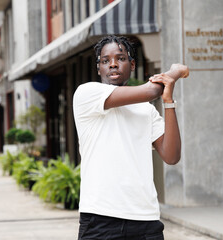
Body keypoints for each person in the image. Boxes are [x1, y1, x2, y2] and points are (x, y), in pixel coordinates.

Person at [73, 35, 189, 240]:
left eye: (121, 58)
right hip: (100, 220)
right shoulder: (86, 94)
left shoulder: (146, 110)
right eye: (105, 61)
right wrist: (175, 71)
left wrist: (169, 101)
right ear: (98, 68)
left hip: (146, 220)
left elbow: (171, 156)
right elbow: (152, 89)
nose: (113, 64)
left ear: (132, 64)